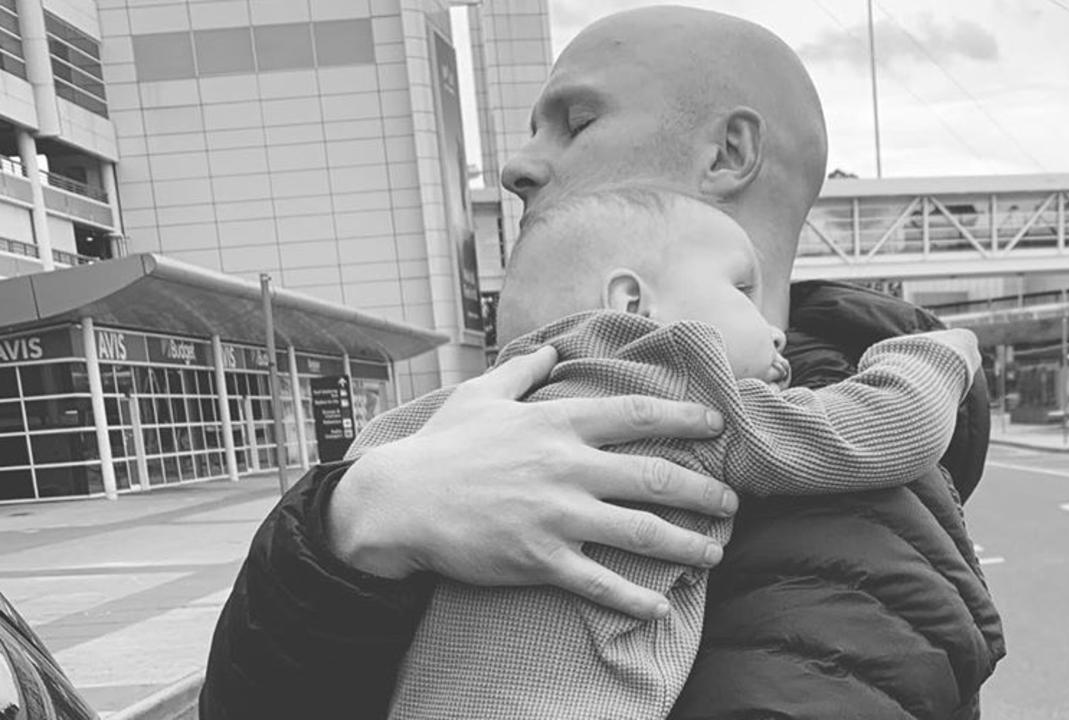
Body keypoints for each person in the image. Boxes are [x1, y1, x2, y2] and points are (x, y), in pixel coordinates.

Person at [201, 7, 1002, 719]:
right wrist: (349, 525)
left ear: (728, 153)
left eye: (575, 121)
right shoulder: (474, 428)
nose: (516, 166)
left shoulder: (827, 504)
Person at [377, 188, 981, 719]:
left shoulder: (470, 414)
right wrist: (938, 353)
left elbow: (361, 471)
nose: (773, 328)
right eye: (743, 291)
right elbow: (889, 431)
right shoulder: (682, 385)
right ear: (632, 303)